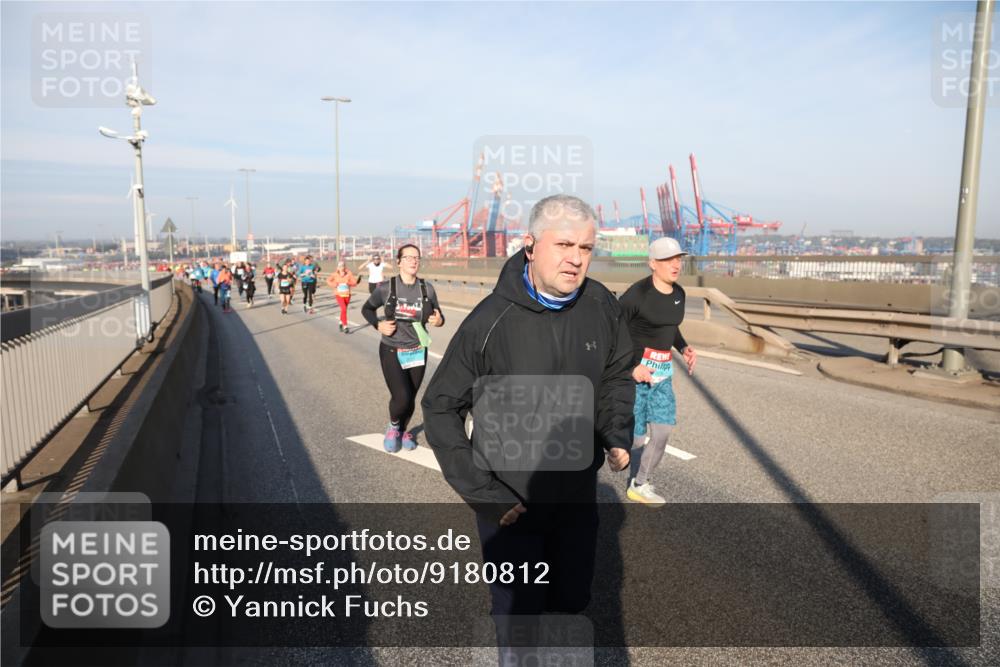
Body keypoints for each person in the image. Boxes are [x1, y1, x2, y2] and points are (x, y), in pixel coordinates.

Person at [421, 194, 633, 625]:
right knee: (519, 614)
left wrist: (615, 432)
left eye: (586, 248)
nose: (576, 259)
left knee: (571, 602)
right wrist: (485, 494)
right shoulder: (489, 321)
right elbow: (440, 408)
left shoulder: (602, 305)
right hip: (511, 502)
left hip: (576, 498)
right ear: (530, 246)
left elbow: (616, 373)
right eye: (564, 245)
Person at [619, 237, 697, 505]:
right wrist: (632, 366)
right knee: (636, 441)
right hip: (635, 375)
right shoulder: (636, 295)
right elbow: (615, 331)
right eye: (668, 260)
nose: (675, 265)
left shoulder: (679, 294)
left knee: (662, 433)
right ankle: (606, 442)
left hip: (662, 375)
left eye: (678, 259)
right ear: (653, 263)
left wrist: (683, 347)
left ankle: (640, 484)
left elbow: (670, 326)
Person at [362, 244, 444, 453]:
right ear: (398, 262)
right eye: (408, 257)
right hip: (392, 349)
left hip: (418, 349)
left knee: (411, 397)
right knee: (402, 396)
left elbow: (438, 315)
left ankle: (403, 430)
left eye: (416, 257)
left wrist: (438, 320)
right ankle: (393, 426)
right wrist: (378, 324)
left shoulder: (427, 289)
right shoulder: (386, 288)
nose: (413, 261)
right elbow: (367, 309)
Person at [327, 260, 360, 333]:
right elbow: (328, 280)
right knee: (344, 308)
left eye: (342, 265)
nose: (341, 267)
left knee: (343, 310)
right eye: (340, 266)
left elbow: (354, 283)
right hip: (339, 294)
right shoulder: (334, 274)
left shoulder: (349, 273)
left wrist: (348, 283)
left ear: (345, 266)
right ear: (337, 267)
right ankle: (345, 326)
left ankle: (341, 322)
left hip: (347, 294)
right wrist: (334, 284)